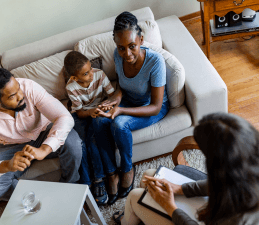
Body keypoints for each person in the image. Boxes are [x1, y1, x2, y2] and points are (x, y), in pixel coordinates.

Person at [114, 112, 259, 225]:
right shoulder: (248, 167)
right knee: (150, 176)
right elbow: (221, 183)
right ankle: (137, 215)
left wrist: (170, 207)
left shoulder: (241, 219)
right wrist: (179, 188)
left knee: (135, 197)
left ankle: (127, 221)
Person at [0, 66, 82, 200]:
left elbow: (64, 117)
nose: (21, 96)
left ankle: (70, 185)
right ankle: (38, 200)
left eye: (18, 88)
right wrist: (7, 165)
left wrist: (45, 149)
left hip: (44, 131)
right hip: (11, 146)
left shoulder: (29, 87)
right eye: (12, 96)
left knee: (73, 143)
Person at [92, 11, 169, 205]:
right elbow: (122, 86)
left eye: (132, 46)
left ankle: (127, 169)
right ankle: (111, 173)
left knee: (119, 124)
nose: (127, 54)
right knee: (99, 119)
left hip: (151, 107)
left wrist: (121, 110)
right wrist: (114, 99)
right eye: (121, 48)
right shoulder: (117, 56)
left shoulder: (155, 62)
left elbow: (155, 106)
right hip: (129, 100)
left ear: (141, 39)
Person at [64, 51, 115, 205]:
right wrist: (90, 112)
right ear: (74, 77)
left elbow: (113, 96)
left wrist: (104, 108)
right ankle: (86, 183)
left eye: (90, 68)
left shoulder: (99, 75)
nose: (91, 74)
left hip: (100, 110)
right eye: (86, 73)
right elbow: (79, 112)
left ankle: (99, 179)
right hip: (81, 115)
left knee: (93, 140)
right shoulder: (71, 87)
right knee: (81, 146)